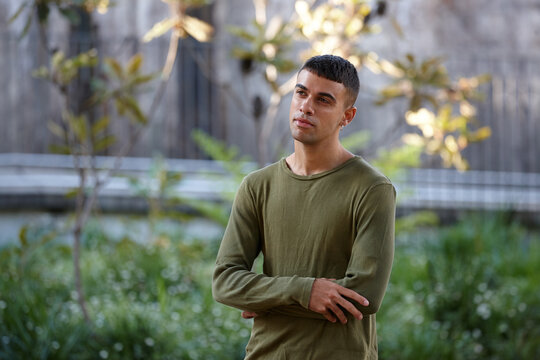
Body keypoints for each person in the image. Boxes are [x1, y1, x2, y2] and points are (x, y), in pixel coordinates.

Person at [212, 54, 396, 359]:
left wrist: (263, 297)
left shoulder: (371, 189)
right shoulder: (257, 186)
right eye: (301, 93)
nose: (306, 107)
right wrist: (302, 292)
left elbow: (364, 296)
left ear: (346, 117)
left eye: (323, 100)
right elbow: (225, 281)